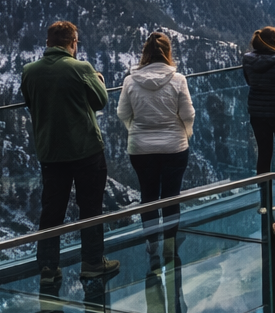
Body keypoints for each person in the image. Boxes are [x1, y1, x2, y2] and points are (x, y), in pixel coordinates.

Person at [21, 20, 119, 287]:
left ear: (48, 44)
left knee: (51, 211)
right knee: (90, 207)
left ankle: (48, 268)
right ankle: (93, 263)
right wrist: (98, 79)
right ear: (73, 43)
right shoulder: (81, 68)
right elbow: (101, 101)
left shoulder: (29, 72)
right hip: (86, 150)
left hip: (51, 152)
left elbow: (29, 101)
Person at [117, 31, 195, 265]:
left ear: (145, 53)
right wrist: (184, 132)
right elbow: (188, 114)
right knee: (171, 197)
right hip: (174, 147)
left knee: (148, 196)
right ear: (168, 52)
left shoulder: (130, 81)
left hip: (141, 149)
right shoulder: (178, 79)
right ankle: (171, 244)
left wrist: (137, 130)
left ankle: (152, 246)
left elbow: (122, 113)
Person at [242, 26, 275, 174]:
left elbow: (249, 81)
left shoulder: (247, 60)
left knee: (264, 154)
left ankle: (264, 193)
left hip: (257, 114)